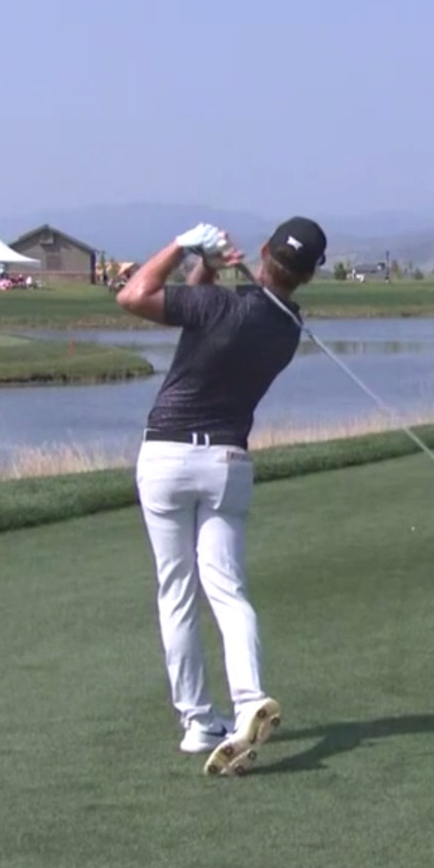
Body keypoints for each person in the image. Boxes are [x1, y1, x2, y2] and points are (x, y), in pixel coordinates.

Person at [114, 216, 328, 775]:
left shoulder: (219, 308)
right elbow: (206, 312)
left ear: (262, 251)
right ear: (307, 276)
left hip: (166, 456)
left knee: (176, 592)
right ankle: (249, 699)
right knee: (228, 591)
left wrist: (185, 245)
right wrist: (206, 267)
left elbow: (134, 295)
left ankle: (196, 722)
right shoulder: (287, 327)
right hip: (227, 463)